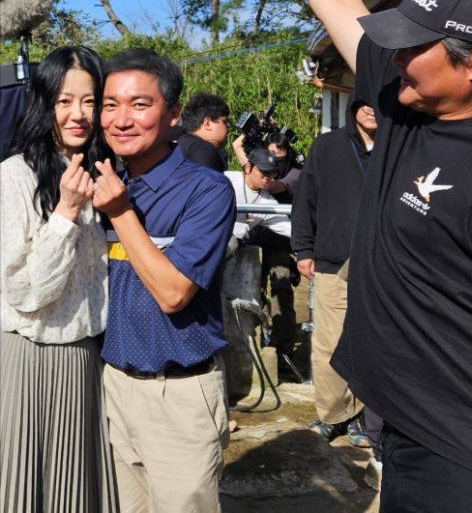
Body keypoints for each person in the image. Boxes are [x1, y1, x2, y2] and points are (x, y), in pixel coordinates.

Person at [244, 0, 472, 513]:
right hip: (400, 422)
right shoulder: (409, 100)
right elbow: (340, 3)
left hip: (471, 450)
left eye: (414, 45)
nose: (394, 56)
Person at [92, 48, 236, 513]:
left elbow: (174, 293)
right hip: (114, 387)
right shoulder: (107, 182)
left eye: (140, 104)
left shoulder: (205, 189)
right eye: (110, 105)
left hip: (178, 394)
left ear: (173, 115)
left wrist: (120, 214)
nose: (121, 119)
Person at [0, 46, 117, 513]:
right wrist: (66, 212)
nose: (78, 114)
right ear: (44, 103)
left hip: (86, 357)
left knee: (78, 492)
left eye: (90, 101)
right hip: (32, 356)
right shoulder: (14, 176)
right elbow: (25, 291)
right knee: (26, 488)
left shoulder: (103, 173)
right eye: (64, 101)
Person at [292, 95, 379, 444]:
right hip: (333, 259)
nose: (372, 110)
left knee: (373, 342)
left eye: (379, 104)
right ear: (353, 106)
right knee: (329, 343)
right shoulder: (328, 146)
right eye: (365, 103)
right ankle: (333, 414)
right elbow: (305, 199)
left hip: (382, 262)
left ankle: (365, 418)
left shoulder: (398, 147)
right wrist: (303, 248)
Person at [226, 146, 298, 371]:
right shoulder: (227, 181)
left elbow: (290, 229)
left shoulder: (267, 202)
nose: (268, 178)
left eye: (273, 174)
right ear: (248, 168)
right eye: (264, 172)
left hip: (232, 254)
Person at [173, 91, 230, 172]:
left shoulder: (180, 145)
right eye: (224, 122)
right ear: (207, 123)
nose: (228, 128)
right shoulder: (204, 151)